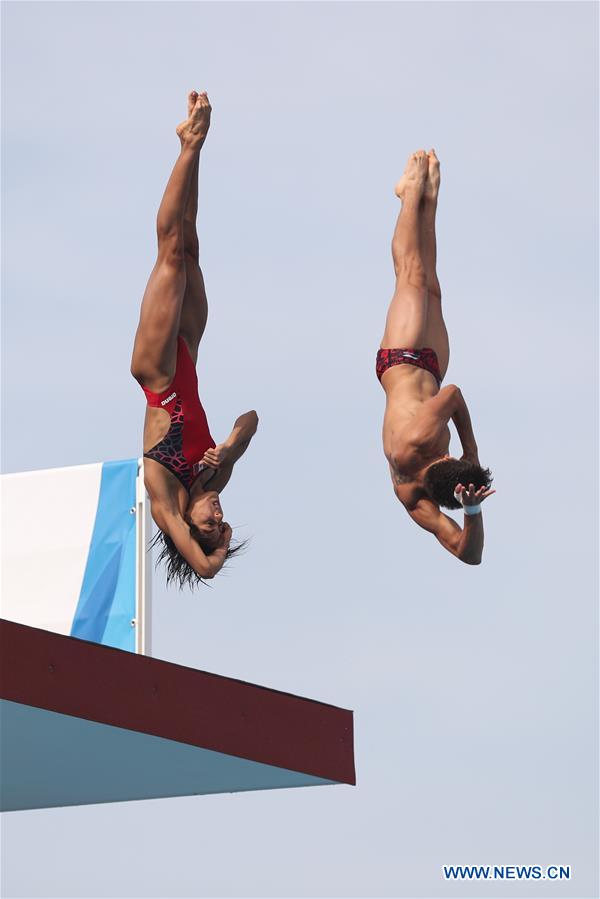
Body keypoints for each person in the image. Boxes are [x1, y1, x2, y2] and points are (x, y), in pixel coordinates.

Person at [130, 91, 258, 587]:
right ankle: (196, 148)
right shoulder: (213, 475)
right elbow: (251, 419)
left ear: (189, 527)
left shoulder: (163, 497)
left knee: (170, 252)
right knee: (191, 246)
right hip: (189, 351)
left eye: (211, 522)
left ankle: (189, 144)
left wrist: (218, 547)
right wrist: (227, 447)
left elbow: (204, 567)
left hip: (157, 371)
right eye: (223, 520)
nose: (219, 513)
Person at [377, 150, 494, 564]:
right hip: (431, 366)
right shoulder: (414, 498)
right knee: (432, 286)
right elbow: (469, 554)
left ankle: (409, 196)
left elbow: (455, 396)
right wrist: (473, 510)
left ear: (446, 457)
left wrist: (473, 452)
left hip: (402, 357)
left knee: (411, 274)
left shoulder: (417, 443)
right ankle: (430, 199)